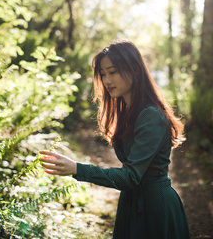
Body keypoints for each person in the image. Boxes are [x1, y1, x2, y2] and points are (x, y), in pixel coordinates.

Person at [40, 39, 190, 239]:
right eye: (103, 74)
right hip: (132, 203)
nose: (107, 80)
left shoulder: (150, 115)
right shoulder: (129, 112)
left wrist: (77, 168)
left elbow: (131, 177)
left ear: (134, 70)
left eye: (113, 72)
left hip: (155, 208)